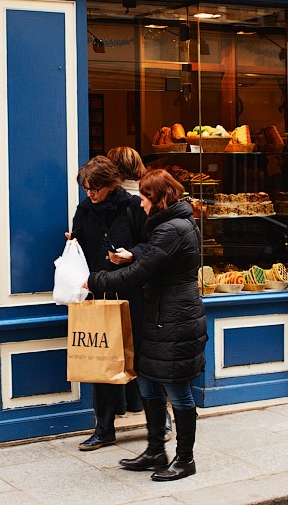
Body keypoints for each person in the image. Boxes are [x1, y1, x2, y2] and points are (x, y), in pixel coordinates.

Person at [84, 168, 206, 481]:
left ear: (160, 198)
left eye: (145, 196)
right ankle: (155, 451)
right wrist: (131, 257)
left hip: (175, 320)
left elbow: (141, 273)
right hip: (161, 317)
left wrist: (96, 279)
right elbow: (150, 261)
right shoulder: (171, 225)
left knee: (178, 392)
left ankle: (185, 459)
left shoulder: (172, 229)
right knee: (149, 384)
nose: (140, 203)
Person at [66, 156, 146, 451]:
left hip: (132, 292)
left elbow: (150, 244)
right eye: (86, 188)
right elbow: (79, 244)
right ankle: (104, 429)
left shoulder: (134, 207)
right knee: (100, 359)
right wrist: (72, 242)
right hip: (99, 293)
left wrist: (131, 254)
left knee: (141, 358)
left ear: (111, 185)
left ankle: (158, 420)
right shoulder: (84, 209)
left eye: (94, 189)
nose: (90, 194)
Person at [107, 146, 174, 441]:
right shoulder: (123, 202)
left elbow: (149, 253)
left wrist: (103, 276)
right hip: (141, 290)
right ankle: (158, 428)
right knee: (141, 354)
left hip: (139, 290)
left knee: (133, 352)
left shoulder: (136, 206)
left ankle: (161, 427)